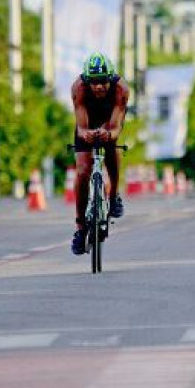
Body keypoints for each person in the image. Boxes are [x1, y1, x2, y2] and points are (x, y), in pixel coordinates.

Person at [70, 52, 130, 255]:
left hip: (110, 118)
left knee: (111, 145)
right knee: (82, 171)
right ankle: (80, 227)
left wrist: (109, 133)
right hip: (87, 120)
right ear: (87, 81)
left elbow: (116, 126)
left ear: (110, 78)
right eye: (94, 82)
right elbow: (81, 127)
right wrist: (86, 134)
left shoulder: (121, 89)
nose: (98, 87)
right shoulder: (78, 88)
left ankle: (113, 196)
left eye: (103, 81)